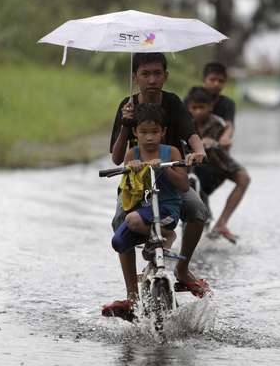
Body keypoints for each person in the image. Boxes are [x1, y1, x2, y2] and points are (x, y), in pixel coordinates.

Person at [107, 53, 209, 307]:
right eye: (145, 74)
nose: (152, 79)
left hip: (170, 178)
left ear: (165, 76)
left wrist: (199, 151)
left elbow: (191, 132)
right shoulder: (126, 105)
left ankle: (183, 271)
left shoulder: (173, 102)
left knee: (197, 210)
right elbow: (116, 158)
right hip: (137, 185)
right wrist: (124, 124)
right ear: (135, 78)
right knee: (120, 220)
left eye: (157, 73)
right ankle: (131, 296)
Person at [102, 104, 190, 319]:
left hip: (166, 208)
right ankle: (134, 295)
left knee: (132, 220)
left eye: (154, 132)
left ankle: (167, 235)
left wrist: (165, 167)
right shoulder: (133, 152)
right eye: (144, 132)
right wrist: (133, 167)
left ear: (163, 132)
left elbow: (184, 186)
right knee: (118, 242)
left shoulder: (172, 152)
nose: (149, 137)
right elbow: (128, 187)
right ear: (135, 133)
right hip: (144, 208)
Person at [185, 86, 250, 243]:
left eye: (202, 107)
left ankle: (221, 223)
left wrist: (215, 142)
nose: (198, 111)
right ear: (188, 107)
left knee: (244, 178)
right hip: (193, 166)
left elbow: (226, 144)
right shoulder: (185, 123)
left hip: (218, 162)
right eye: (194, 107)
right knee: (192, 185)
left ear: (211, 107)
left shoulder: (217, 124)